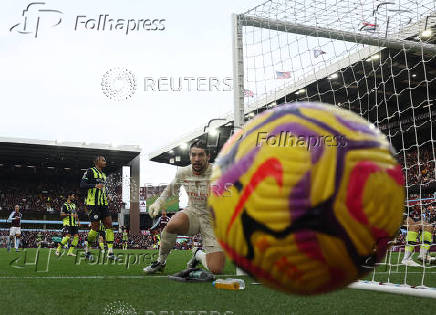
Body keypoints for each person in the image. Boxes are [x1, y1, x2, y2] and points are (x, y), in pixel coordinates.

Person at [143, 140, 225, 274]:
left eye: (200, 155)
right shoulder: (183, 172)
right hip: (192, 212)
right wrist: (157, 203)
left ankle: (198, 254)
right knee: (173, 224)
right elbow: (170, 190)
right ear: (189, 155)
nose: (196, 159)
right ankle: (160, 261)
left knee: (216, 269)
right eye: (193, 155)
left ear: (208, 157)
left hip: (212, 219)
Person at [80, 155, 116, 261]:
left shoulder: (104, 175)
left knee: (109, 225)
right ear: (97, 162)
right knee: (95, 229)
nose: (105, 162)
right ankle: (86, 250)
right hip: (93, 204)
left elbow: (103, 188)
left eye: (105, 160)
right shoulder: (90, 171)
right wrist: (94, 186)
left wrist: (107, 195)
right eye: (103, 160)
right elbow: (82, 184)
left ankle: (110, 253)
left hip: (103, 204)